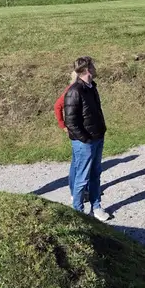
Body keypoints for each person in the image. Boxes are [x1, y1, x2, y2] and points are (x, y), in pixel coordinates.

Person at [64, 56, 110, 221]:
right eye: (94, 66)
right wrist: (85, 139)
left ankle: (96, 207)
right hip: (85, 142)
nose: (96, 69)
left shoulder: (92, 87)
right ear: (87, 70)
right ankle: (78, 212)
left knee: (96, 174)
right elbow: (71, 121)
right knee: (82, 178)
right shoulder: (74, 91)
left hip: (97, 137)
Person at [54, 70, 82, 202]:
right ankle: (74, 192)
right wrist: (62, 125)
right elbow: (57, 106)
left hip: (81, 129)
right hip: (75, 130)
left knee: (80, 161)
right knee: (76, 162)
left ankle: (81, 190)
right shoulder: (71, 90)